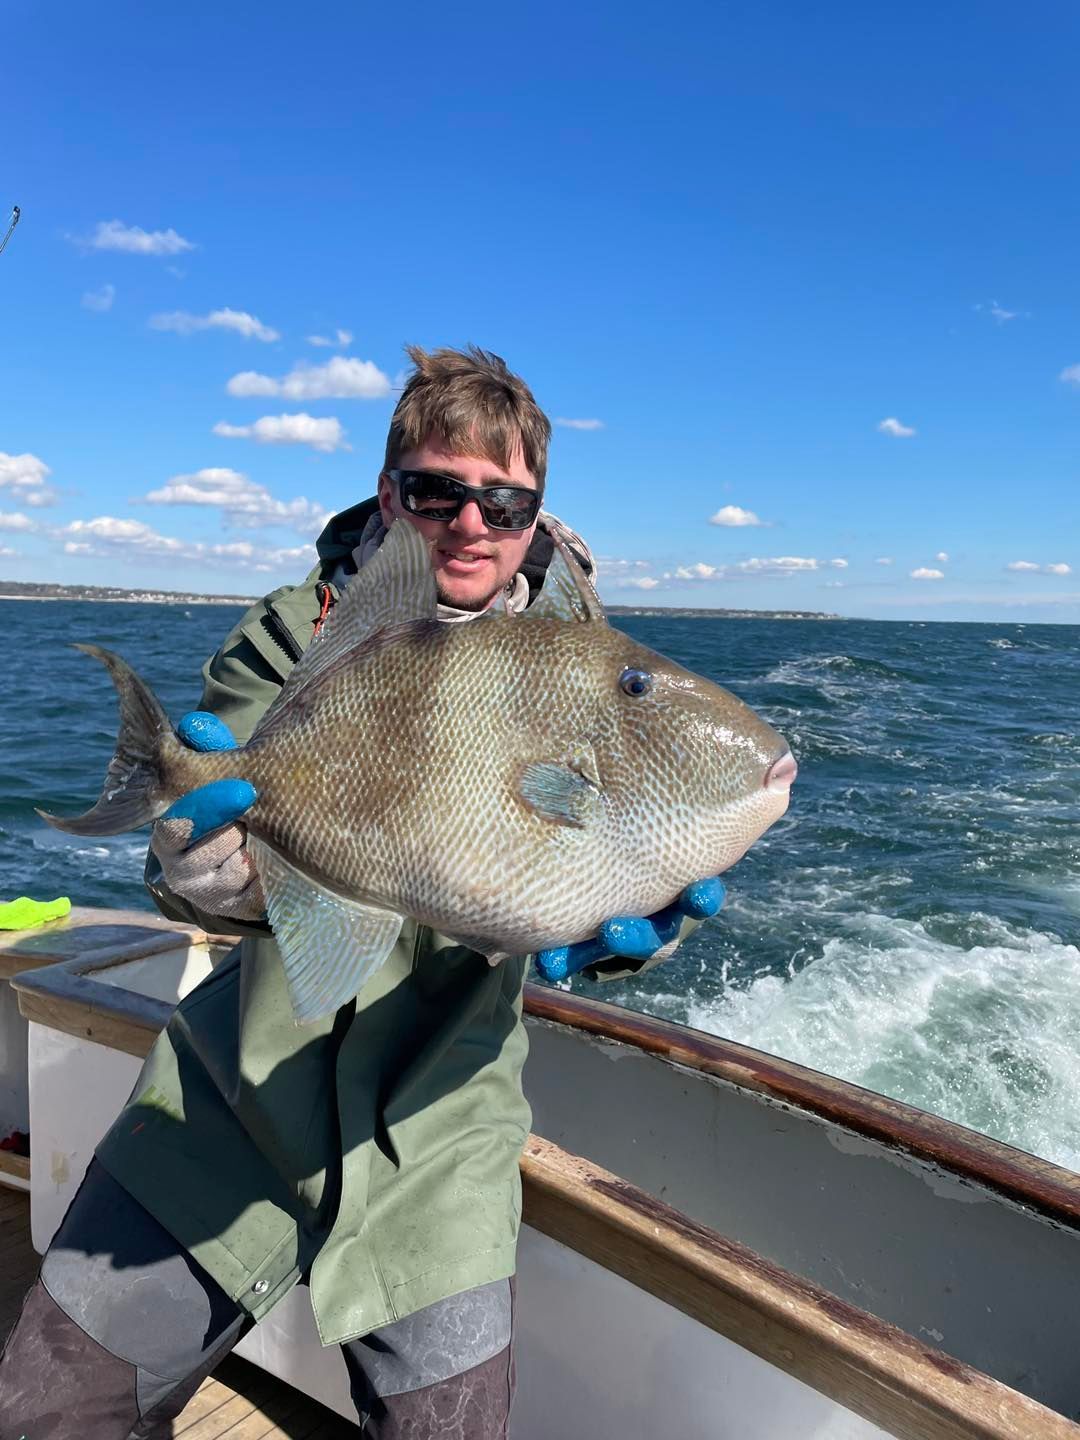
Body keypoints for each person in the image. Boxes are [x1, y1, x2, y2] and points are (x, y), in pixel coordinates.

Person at [0, 346, 716, 1439]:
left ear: (536, 515)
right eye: (439, 492)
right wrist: (206, 872)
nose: (471, 523)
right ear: (392, 495)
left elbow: (583, 877)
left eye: (505, 501)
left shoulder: (586, 669)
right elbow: (208, 833)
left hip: (442, 1121)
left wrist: (628, 930)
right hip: (238, 1092)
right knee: (44, 1412)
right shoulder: (298, 639)